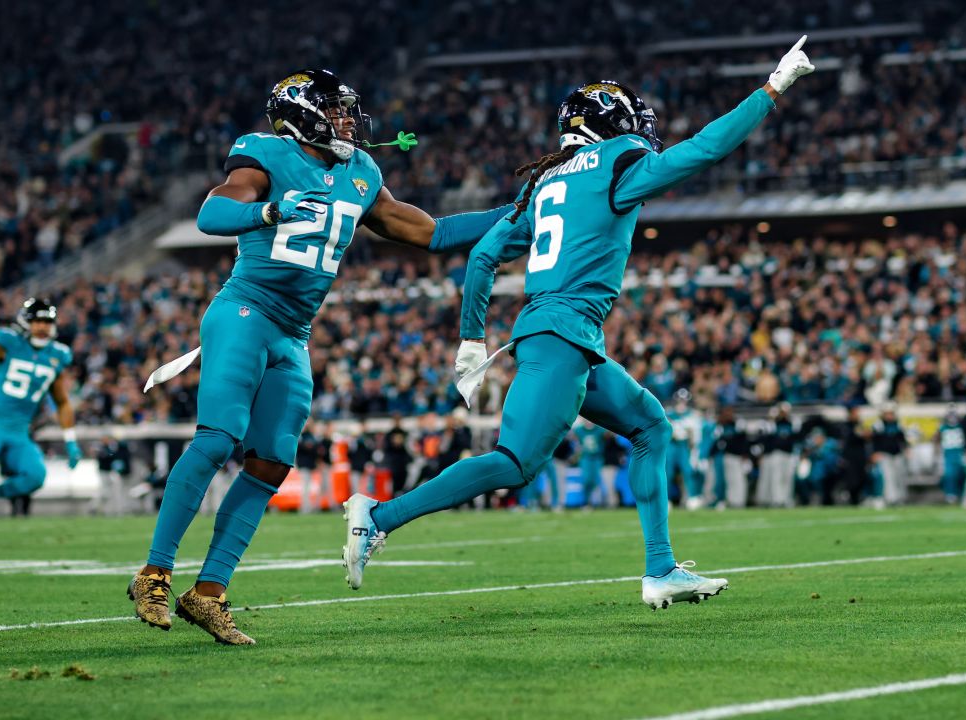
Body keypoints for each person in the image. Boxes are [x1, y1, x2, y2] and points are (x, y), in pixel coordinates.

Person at [342, 38, 817, 610]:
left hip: (563, 334)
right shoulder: (616, 161)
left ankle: (661, 568)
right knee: (514, 463)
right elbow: (701, 151)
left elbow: (481, 254)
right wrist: (771, 89)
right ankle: (379, 516)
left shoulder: (544, 183)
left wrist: (472, 336)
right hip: (561, 332)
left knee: (650, 426)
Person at [129, 69, 518, 644]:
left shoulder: (362, 171)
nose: (347, 121)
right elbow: (211, 215)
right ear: (301, 113)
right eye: (335, 110)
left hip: (294, 335)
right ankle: (155, 573)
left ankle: (208, 593)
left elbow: (430, 231)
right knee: (218, 439)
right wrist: (268, 211)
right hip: (244, 312)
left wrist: (521, 210)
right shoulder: (263, 154)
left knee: (270, 462)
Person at [0, 299, 82, 523]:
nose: (42, 327)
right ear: (25, 323)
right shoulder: (9, 343)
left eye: (47, 322)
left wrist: (70, 439)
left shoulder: (57, 355)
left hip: (19, 431)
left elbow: (62, 401)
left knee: (35, 476)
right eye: (37, 321)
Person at [666, 389, 705, 509]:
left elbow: (696, 436)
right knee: (668, 473)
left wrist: (694, 450)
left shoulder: (693, 416)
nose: (681, 403)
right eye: (679, 400)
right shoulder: (668, 414)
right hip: (671, 445)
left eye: (684, 401)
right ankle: (665, 500)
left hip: (684, 446)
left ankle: (692, 497)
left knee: (688, 471)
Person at [756, 402, 798, 507]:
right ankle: (777, 500)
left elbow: (796, 438)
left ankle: (787, 499)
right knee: (776, 478)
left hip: (788, 454)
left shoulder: (792, 423)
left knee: (787, 477)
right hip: (776, 453)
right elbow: (765, 438)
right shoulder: (773, 424)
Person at [712, 407, 751, 509]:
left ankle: (739, 501)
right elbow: (716, 443)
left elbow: (744, 441)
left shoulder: (738, 424)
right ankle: (731, 501)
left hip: (738, 457)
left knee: (738, 480)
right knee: (729, 481)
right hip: (727, 456)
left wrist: (745, 455)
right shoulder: (721, 426)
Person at [871, 401, 908, 506]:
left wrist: (906, 450)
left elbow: (902, 440)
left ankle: (901, 498)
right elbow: (875, 441)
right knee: (888, 477)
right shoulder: (878, 426)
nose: (890, 416)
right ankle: (891, 499)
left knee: (899, 476)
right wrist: (875, 453)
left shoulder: (898, 425)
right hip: (885, 454)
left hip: (897, 454)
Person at [935, 404, 966, 504]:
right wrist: (937, 453)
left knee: (962, 474)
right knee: (949, 475)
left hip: (960, 453)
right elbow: (936, 440)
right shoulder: (942, 427)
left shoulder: (962, 426)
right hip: (948, 454)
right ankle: (950, 495)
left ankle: (961, 494)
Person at [574, 419, 607, 508]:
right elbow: (573, 438)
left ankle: (597, 502)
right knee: (586, 480)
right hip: (585, 457)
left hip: (597, 457)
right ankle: (586, 502)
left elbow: (609, 435)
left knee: (596, 480)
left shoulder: (599, 430)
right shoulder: (578, 430)